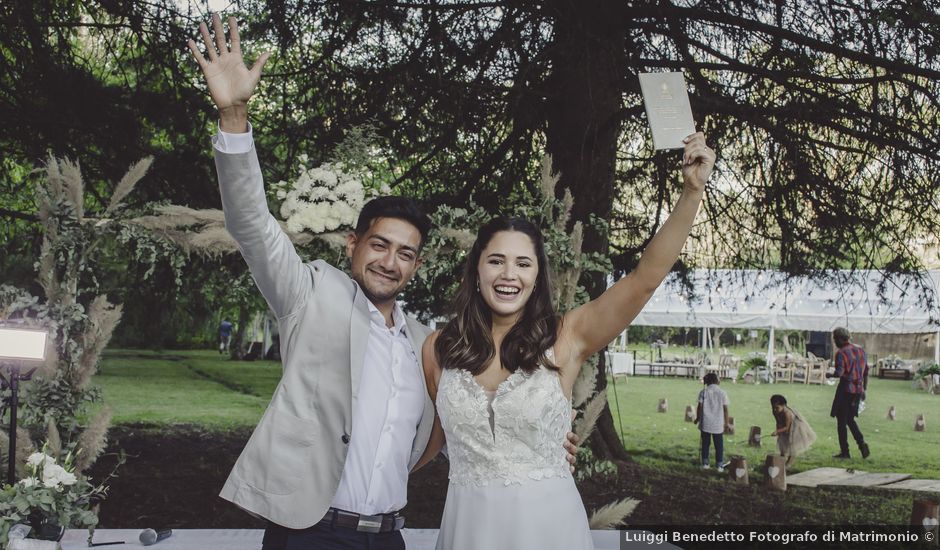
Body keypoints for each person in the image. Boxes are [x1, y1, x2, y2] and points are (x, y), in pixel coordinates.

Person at [187, 14, 576, 550]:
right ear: (353, 243)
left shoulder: (431, 344)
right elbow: (252, 225)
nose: (390, 262)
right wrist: (233, 116)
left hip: (389, 536)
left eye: (406, 254)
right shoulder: (309, 295)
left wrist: (544, 441)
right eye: (379, 245)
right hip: (309, 533)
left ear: (415, 265)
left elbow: (467, 424)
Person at [416, 134, 715, 549]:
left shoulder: (567, 338)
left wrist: (691, 192)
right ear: (477, 270)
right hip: (467, 528)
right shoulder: (437, 349)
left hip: (547, 528)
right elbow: (428, 441)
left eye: (523, 263)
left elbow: (643, 281)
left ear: (537, 276)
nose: (509, 275)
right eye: (496, 261)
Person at [828, 327, 870, 459]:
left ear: (840, 338)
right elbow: (866, 371)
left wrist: (830, 374)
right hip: (857, 391)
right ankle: (861, 443)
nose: (835, 342)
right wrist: (864, 388)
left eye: (835, 339)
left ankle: (845, 452)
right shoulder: (860, 350)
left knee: (841, 421)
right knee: (850, 419)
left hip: (846, 390)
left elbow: (839, 373)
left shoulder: (841, 353)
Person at [695, 372, 730, 472]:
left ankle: (705, 463)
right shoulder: (722, 393)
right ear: (716, 381)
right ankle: (719, 465)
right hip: (718, 423)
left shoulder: (704, 392)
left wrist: (698, 418)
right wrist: (726, 423)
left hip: (705, 422)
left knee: (705, 443)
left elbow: (699, 407)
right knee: (719, 445)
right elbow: (726, 409)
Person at [770, 394, 816, 467]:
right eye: (773, 407)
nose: (775, 410)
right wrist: (778, 430)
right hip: (784, 426)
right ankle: (782, 459)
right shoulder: (775, 412)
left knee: (792, 445)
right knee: (782, 443)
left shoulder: (787, 413)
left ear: (783, 406)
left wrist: (778, 431)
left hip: (794, 427)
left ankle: (789, 463)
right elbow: (778, 422)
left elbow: (787, 427)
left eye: (777, 408)